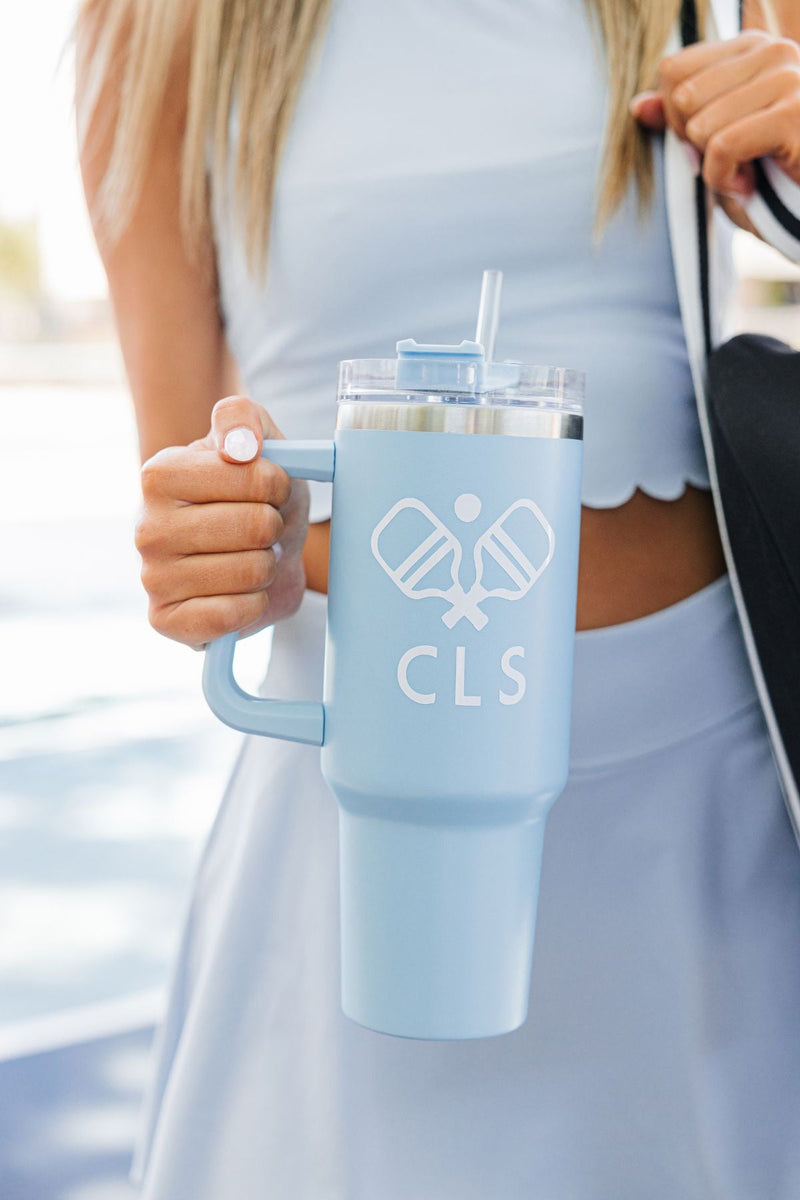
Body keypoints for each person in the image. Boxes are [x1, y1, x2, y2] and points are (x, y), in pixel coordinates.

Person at [76, 0, 800, 1195]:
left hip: (701, 800)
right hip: (363, 821)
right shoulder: (154, 23)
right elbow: (186, 464)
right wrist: (209, 543)